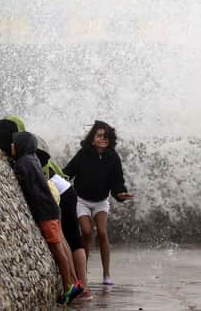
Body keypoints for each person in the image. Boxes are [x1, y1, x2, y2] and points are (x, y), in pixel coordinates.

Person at [0, 116, 91, 300]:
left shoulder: (25, 162)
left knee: (64, 244)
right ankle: (77, 285)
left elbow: (29, 184)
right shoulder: (33, 156)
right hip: (57, 200)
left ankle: (74, 287)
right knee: (64, 241)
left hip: (56, 202)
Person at [63, 120, 134, 286]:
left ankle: (106, 274)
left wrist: (120, 194)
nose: (103, 138)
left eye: (106, 136)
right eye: (99, 135)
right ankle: (83, 274)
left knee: (102, 232)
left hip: (101, 201)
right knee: (86, 232)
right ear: (92, 139)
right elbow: (67, 172)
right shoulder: (83, 154)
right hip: (81, 200)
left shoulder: (113, 157)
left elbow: (117, 181)